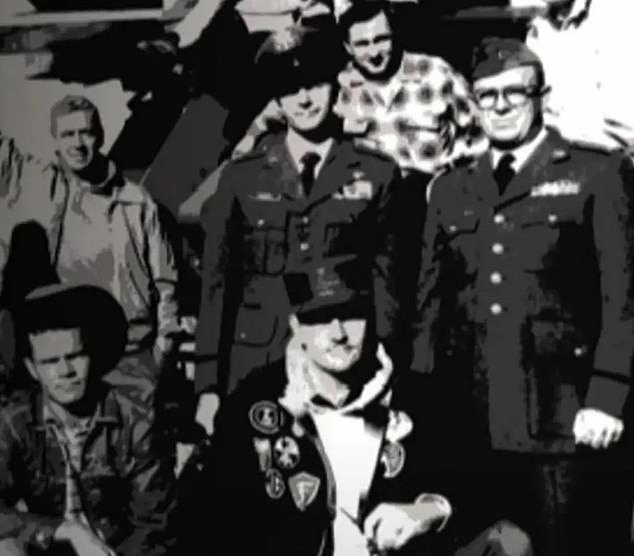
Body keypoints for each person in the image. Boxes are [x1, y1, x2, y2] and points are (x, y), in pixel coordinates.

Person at [412, 37, 634, 555]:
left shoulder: (596, 173)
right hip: (472, 422)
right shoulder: (450, 189)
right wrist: (419, 403)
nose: (502, 106)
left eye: (516, 92)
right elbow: (429, 308)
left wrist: (608, 396)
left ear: (542, 97)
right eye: (488, 95)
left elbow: (625, 299)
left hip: (566, 425)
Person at [183, 256, 532, 556]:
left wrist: (429, 510)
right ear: (295, 327)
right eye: (320, 318)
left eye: (350, 315)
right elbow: (212, 517)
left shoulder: (422, 399)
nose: (337, 333)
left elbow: (485, 486)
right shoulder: (256, 404)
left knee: (510, 541)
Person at [194, 25, 402, 431]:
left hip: (343, 366)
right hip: (258, 358)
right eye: (290, 90)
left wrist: (390, 367)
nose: (304, 100)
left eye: (313, 85)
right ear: (276, 98)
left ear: (334, 85)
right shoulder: (242, 177)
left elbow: (387, 284)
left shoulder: (376, 173)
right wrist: (208, 385)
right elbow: (217, 288)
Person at [0, 95, 180, 401]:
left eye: (86, 132)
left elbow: (166, 286)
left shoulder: (137, 203)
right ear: (54, 139)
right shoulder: (37, 183)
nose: (78, 143)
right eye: (68, 134)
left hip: (132, 361)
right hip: (67, 358)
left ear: (101, 136)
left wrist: (160, 356)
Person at [0, 283, 178, 556]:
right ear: (32, 369)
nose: (65, 371)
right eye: (50, 362)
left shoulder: (135, 420)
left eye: (74, 356)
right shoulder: (15, 423)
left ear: (91, 356)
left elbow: (154, 524)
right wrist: (62, 531)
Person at [525, 0, 634, 152]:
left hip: (611, 159)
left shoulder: (617, 12)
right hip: (561, 158)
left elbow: (624, 126)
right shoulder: (540, 25)